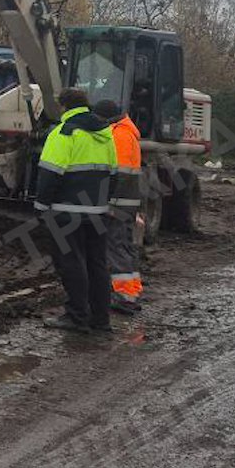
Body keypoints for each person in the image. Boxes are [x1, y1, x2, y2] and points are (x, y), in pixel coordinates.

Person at [35, 87, 117, 334]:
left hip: (65, 211)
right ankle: (101, 319)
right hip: (98, 211)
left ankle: (77, 316)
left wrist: (41, 206)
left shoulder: (63, 133)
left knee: (71, 263)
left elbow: (49, 175)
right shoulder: (106, 134)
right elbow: (113, 175)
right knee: (97, 263)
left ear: (63, 107)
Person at [94, 98, 144, 315]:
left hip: (118, 204)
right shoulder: (125, 132)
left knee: (116, 248)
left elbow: (119, 174)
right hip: (125, 203)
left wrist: (106, 201)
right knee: (123, 247)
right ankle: (130, 292)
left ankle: (124, 298)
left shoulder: (120, 135)